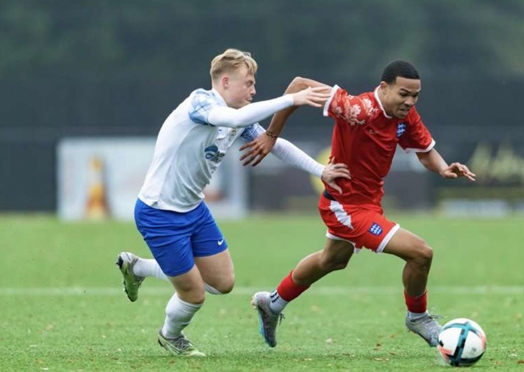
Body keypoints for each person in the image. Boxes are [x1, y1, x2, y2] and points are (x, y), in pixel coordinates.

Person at [115, 48, 350, 357]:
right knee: (193, 294)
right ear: (225, 82)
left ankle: (138, 267)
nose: (253, 91)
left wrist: (320, 171)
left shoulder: (237, 118)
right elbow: (237, 116)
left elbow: (272, 143)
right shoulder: (202, 103)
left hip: (194, 210)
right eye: (248, 83)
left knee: (222, 283)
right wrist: (291, 99)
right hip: (159, 213)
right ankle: (170, 335)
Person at [242, 60, 476, 348]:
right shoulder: (358, 109)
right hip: (345, 206)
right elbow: (299, 85)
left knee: (332, 260)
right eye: (403, 93)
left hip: (369, 204)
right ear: (383, 87)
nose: (410, 101)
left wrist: (442, 168)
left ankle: (272, 304)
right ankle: (418, 317)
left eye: (415, 95)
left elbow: (424, 149)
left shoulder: (406, 116)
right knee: (420, 253)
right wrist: (271, 134)